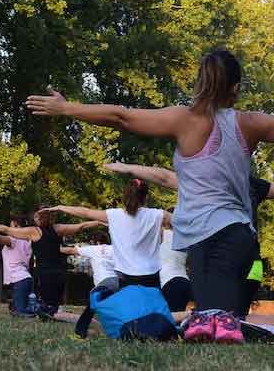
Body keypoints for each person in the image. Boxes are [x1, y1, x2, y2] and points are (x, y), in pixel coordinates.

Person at [27, 49, 274, 342]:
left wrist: (67, 109)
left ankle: (224, 326)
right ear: (235, 87)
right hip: (237, 237)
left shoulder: (184, 120)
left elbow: (122, 117)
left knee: (218, 322)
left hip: (210, 239)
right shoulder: (251, 123)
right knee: (214, 319)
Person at [105, 162, 272, 315]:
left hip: (221, 256)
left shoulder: (208, 182)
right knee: (237, 302)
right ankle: (232, 322)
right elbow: (164, 177)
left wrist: (128, 168)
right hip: (249, 256)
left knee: (219, 304)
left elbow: (165, 177)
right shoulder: (250, 183)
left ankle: (224, 323)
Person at [0, 208, 105, 315]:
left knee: (47, 310)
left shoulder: (33, 232)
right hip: (60, 273)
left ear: (38, 218)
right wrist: (99, 222)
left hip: (44, 274)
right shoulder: (59, 229)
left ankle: (73, 319)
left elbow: (5, 230)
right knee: (54, 307)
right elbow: (81, 226)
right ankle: (54, 312)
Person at [42, 179, 170, 289]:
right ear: (146, 197)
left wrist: (60, 207)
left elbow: (85, 212)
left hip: (126, 275)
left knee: (131, 311)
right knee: (151, 310)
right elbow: (183, 223)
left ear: (125, 196)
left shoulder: (113, 215)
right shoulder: (158, 214)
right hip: (151, 272)